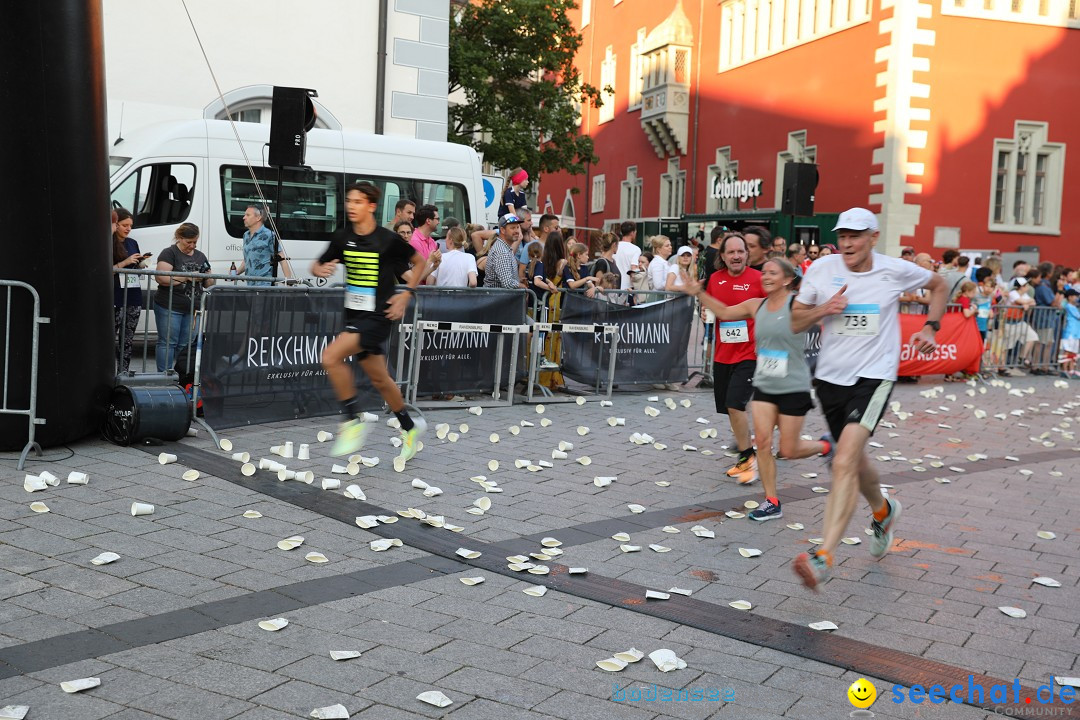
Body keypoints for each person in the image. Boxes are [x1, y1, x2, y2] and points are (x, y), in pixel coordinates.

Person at [789, 208, 946, 590]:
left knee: (843, 459)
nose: (847, 243)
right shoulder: (823, 270)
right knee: (854, 460)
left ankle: (824, 555)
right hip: (829, 379)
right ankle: (884, 509)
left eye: (856, 236)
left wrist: (930, 326)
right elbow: (795, 320)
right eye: (842, 236)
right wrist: (824, 309)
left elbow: (939, 286)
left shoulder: (894, 270)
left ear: (873, 237)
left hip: (874, 377)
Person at [683, 258, 833, 520]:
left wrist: (828, 307)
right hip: (765, 383)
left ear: (787, 279)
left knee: (788, 449)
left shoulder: (796, 304)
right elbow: (726, 312)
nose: (765, 276)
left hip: (793, 385)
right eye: (763, 272)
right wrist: (699, 292)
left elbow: (819, 314)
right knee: (762, 443)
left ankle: (826, 446)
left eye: (772, 273)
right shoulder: (756, 305)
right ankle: (771, 500)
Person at [312, 182, 428, 459]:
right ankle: (409, 426)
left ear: (371, 206)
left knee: (330, 357)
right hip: (354, 314)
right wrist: (321, 268)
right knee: (380, 379)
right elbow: (317, 264)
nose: (351, 206)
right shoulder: (342, 237)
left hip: (378, 315)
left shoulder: (387, 240)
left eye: (358, 202)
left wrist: (406, 294)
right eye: (349, 201)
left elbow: (420, 262)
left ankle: (352, 421)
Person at [705, 234, 766, 484]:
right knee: (729, 409)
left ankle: (748, 458)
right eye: (731, 252)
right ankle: (747, 450)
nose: (737, 256)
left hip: (750, 353)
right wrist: (705, 314)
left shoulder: (759, 278)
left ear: (747, 254)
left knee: (735, 404)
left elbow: (773, 309)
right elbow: (711, 311)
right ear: (723, 256)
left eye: (741, 251)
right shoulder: (714, 280)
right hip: (723, 354)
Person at [154, 223, 214, 373]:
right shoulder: (169, 253)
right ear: (180, 238)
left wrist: (207, 276)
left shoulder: (200, 256)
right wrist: (187, 277)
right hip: (169, 305)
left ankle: (182, 376)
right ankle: (164, 377)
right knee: (168, 343)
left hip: (193, 308)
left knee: (186, 345)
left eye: (195, 242)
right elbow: (161, 278)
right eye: (189, 242)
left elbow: (210, 283)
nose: (192, 245)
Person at [112, 207, 150, 373]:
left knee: (127, 340)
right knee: (110, 337)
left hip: (133, 294)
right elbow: (106, 269)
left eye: (130, 225)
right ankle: (108, 374)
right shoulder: (108, 242)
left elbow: (136, 266)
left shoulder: (132, 243)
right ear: (115, 225)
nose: (128, 228)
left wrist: (141, 262)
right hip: (115, 295)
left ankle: (124, 373)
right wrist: (126, 262)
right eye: (124, 224)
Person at [237, 205, 277, 286]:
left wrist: (289, 281)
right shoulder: (246, 235)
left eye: (248, 215)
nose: (244, 217)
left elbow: (281, 257)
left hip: (264, 284)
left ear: (258, 218)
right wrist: (236, 272)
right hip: (250, 284)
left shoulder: (269, 235)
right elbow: (248, 259)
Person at [484, 214, 524, 289]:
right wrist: (523, 287)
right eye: (512, 228)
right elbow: (508, 283)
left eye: (517, 227)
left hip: (500, 299)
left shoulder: (505, 248)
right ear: (502, 230)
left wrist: (518, 280)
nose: (517, 231)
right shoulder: (502, 252)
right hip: (498, 299)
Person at [614, 221, 643, 293]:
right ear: (632, 233)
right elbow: (633, 268)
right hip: (627, 288)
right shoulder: (636, 249)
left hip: (613, 286)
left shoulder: (614, 246)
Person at [1060, 289, 1080, 377]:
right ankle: (1064, 369)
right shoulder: (1069, 306)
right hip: (1070, 332)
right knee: (1067, 351)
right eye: (1075, 296)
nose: (1077, 298)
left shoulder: (1074, 307)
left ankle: (1071, 369)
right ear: (1070, 297)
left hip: (1076, 332)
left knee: (1074, 351)